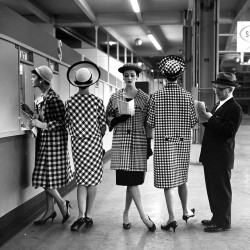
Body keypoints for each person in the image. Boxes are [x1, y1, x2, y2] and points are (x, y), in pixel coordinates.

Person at [147, 55, 197, 232]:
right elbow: (193, 123)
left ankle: (171, 218)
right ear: (180, 75)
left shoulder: (156, 97)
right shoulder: (187, 96)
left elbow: (151, 122)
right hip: (183, 143)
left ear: (164, 75)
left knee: (168, 182)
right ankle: (185, 211)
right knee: (182, 178)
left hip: (163, 144)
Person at [20, 65, 74, 225]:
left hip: (54, 145)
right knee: (46, 178)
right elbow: (42, 118)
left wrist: (42, 125)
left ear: (42, 79)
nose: (31, 79)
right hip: (45, 143)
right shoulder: (43, 98)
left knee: (43, 179)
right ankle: (50, 210)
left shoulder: (54, 99)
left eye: (34, 76)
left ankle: (62, 204)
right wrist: (30, 112)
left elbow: (62, 123)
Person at [106, 63, 155, 232]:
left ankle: (126, 214)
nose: (129, 78)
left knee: (132, 181)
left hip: (139, 143)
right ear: (123, 77)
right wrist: (118, 119)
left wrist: (149, 144)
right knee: (131, 181)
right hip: (121, 143)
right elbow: (108, 118)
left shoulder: (145, 98)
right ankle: (143, 216)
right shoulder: (115, 97)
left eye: (132, 75)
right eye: (126, 75)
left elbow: (149, 123)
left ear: (137, 77)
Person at [65, 61, 106, 231]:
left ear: (76, 82)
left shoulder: (69, 102)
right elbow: (103, 125)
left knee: (81, 180)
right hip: (94, 144)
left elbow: (67, 124)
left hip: (78, 145)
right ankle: (88, 214)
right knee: (93, 180)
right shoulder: (97, 101)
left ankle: (80, 215)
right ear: (90, 82)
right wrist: (97, 136)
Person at [199, 72, 242, 232]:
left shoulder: (234, 108)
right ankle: (216, 217)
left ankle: (223, 222)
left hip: (221, 157)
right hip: (212, 155)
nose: (216, 90)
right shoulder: (220, 104)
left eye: (220, 88)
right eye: (215, 87)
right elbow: (215, 127)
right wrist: (205, 118)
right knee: (213, 189)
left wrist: (210, 119)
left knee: (221, 191)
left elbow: (227, 132)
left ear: (230, 89)